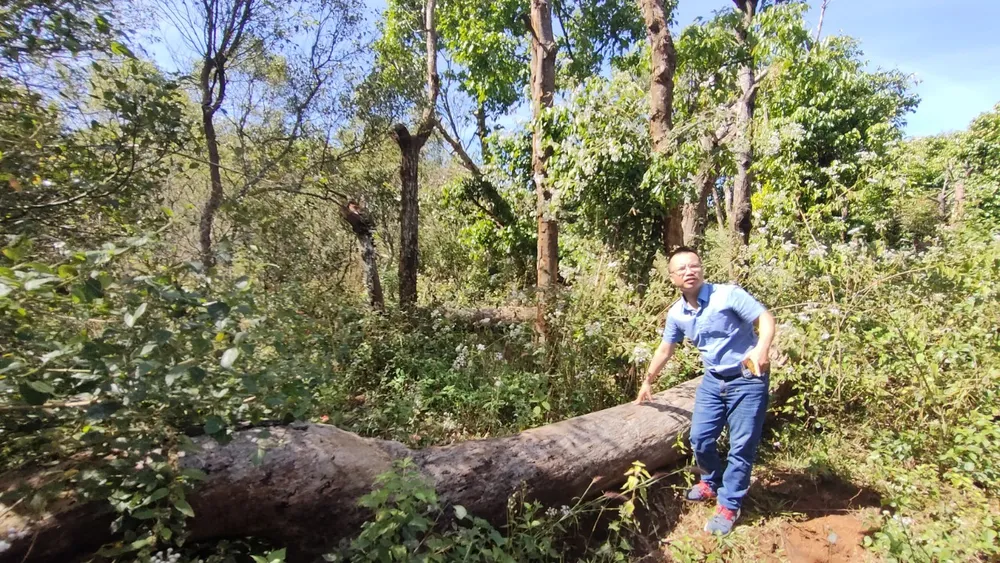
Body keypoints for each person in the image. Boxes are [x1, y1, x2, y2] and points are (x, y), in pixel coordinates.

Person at [634, 246, 775, 536]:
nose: (689, 272)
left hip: (747, 378)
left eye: (693, 266)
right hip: (712, 380)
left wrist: (762, 348)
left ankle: (730, 504)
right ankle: (711, 481)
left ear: (701, 269)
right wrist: (648, 381)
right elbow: (665, 349)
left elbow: (765, 318)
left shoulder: (728, 295)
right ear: (672, 277)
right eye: (681, 269)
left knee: (741, 446)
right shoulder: (677, 313)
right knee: (700, 438)